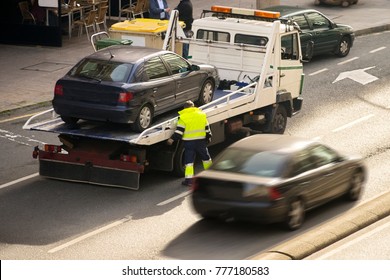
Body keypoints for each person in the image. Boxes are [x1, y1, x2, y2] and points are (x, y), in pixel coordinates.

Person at [167, 100, 213, 186]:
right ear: (193, 106)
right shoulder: (201, 115)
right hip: (201, 142)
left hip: (189, 143)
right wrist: (209, 137)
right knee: (206, 158)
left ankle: (189, 181)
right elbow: (207, 128)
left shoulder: (183, 117)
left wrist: (172, 139)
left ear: (185, 108)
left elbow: (179, 132)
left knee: (189, 162)